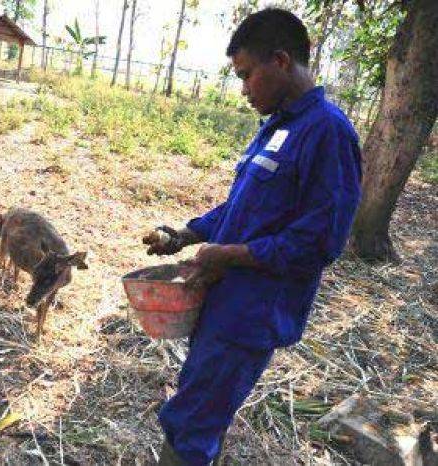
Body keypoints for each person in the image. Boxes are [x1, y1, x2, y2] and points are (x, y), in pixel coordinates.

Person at [144, 8, 362, 465]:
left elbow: (322, 240)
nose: (242, 90)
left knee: (192, 419)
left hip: (253, 312)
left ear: (281, 61)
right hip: (226, 300)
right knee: (202, 407)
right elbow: (242, 208)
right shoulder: (278, 127)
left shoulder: (327, 132)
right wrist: (184, 234)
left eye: (246, 76)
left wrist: (234, 255)